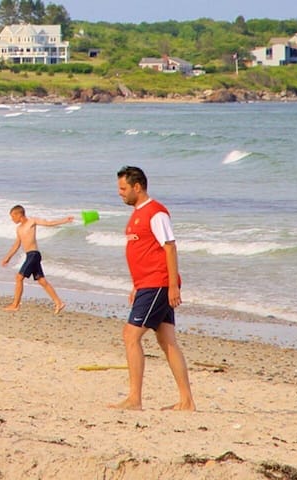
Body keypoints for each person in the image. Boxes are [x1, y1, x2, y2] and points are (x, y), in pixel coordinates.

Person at [109, 166, 194, 412]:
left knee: (130, 335)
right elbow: (142, 252)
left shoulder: (156, 213)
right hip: (147, 284)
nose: (120, 193)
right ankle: (186, 401)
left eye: (123, 188)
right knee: (167, 341)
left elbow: (170, 247)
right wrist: (136, 286)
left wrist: (172, 286)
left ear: (137, 187)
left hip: (158, 283)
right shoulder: (137, 214)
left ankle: (134, 399)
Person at [0, 205, 74, 313]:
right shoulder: (19, 229)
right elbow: (17, 244)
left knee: (19, 278)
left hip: (34, 254)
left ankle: (15, 305)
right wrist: (8, 257)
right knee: (41, 281)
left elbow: (49, 223)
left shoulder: (32, 221)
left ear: (19, 214)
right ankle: (59, 303)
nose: (12, 219)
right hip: (30, 255)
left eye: (13, 217)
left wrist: (65, 220)